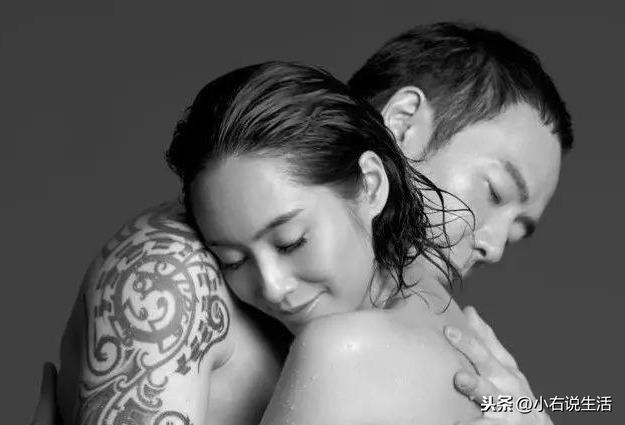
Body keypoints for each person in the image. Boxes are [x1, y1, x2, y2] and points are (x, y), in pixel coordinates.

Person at [33, 22, 572, 425]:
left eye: (519, 229)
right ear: (402, 128)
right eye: (494, 192)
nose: (494, 245)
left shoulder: (428, 338)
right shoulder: (170, 273)